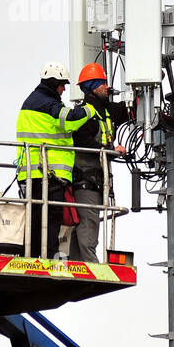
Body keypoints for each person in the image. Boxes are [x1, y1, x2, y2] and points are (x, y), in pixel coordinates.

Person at [16, 62, 93, 258]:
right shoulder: (48, 103)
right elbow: (71, 119)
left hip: (32, 172)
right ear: (53, 83)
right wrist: (91, 109)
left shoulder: (32, 101)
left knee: (36, 217)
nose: (64, 89)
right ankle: (48, 256)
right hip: (47, 173)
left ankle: (33, 255)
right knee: (51, 217)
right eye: (62, 85)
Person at [67, 63, 130, 262]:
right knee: (88, 223)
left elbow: (130, 110)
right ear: (93, 86)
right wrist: (111, 151)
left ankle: (78, 261)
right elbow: (82, 142)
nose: (107, 86)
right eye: (103, 83)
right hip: (85, 181)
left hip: (97, 181)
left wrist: (150, 82)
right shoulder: (84, 114)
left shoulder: (106, 111)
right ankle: (89, 263)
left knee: (87, 223)